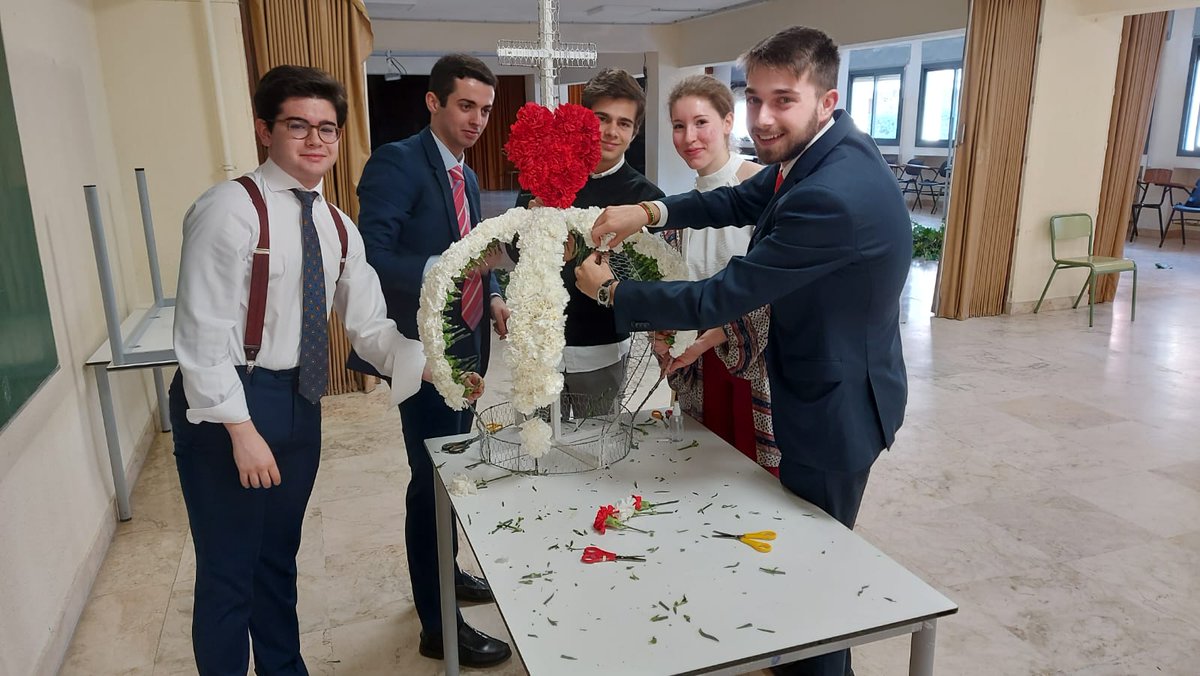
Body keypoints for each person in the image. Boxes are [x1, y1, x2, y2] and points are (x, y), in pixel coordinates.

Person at [577, 26, 911, 676]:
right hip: (821, 382)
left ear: (827, 98)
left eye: (782, 99)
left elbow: (718, 298)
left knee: (811, 586)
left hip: (831, 410)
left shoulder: (830, 195)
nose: (762, 118)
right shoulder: (817, 154)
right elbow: (734, 198)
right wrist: (646, 213)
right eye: (754, 98)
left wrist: (614, 292)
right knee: (792, 569)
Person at [172, 65, 482, 675]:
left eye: (328, 130)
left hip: (300, 401)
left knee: (277, 559)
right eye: (298, 126)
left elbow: (369, 326)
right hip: (230, 402)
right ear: (265, 130)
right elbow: (200, 335)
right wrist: (240, 429)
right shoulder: (228, 210)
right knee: (230, 572)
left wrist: (435, 369)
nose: (316, 141)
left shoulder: (335, 224)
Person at [350, 54, 512, 668]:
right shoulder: (397, 163)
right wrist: (447, 272)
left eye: (485, 110)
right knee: (431, 482)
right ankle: (437, 625)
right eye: (465, 106)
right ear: (433, 103)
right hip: (421, 352)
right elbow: (370, 255)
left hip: (469, 341)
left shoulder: (467, 178)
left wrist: (492, 295)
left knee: (452, 473)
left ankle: (449, 571)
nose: (476, 120)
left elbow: (472, 251)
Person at [517, 68, 664, 417]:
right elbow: (513, 249)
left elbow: (647, 280)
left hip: (601, 350)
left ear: (635, 131)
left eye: (624, 123)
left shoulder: (645, 199)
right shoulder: (544, 177)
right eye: (601, 118)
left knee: (598, 453)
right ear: (583, 120)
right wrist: (534, 232)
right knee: (536, 453)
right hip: (539, 347)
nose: (612, 132)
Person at [660, 74, 778, 474]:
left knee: (747, 475)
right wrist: (662, 330)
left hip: (751, 358)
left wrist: (720, 333)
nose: (689, 136)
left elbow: (776, 289)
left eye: (700, 122)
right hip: (698, 361)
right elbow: (680, 281)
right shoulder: (685, 206)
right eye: (679, 126)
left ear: (728, 122)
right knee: (699, 471)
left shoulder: (762, 189)